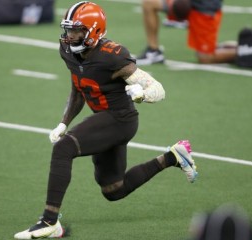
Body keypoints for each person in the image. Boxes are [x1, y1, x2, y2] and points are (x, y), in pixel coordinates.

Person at [14, 1, 198, 239]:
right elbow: (79, 88)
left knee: (64, 148)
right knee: (114, 190)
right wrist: (63, 122)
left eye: (77, 30)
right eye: (68, 30)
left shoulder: (112, 56)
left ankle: (50, 221)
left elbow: (158, 88)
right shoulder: (68, 51)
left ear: (93, 31)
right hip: (104, 119)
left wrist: (142, 95)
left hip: (121, 120)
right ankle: (173, 157)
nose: (70, 36)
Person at [136, 0, 237, 65]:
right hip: (188, 3)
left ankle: (245, 51)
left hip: (204, 8)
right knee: (149, 4)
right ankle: (153, 51)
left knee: (205, 58)